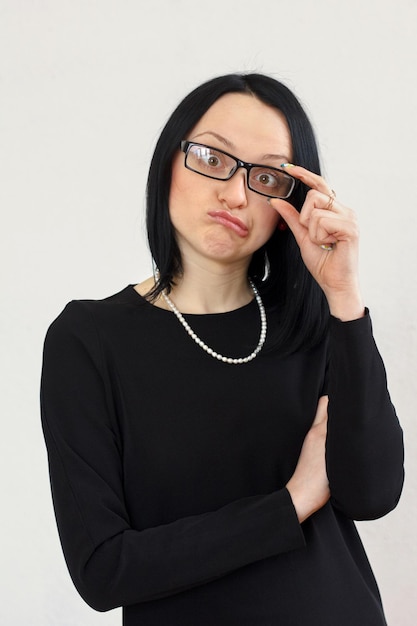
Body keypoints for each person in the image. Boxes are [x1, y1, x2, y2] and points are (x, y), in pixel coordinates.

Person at [40, 73, 404, 625]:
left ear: (292, 201)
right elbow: (104, 569)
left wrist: (345, 298)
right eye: (212, 157)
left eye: (266, 176)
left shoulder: (315, 325)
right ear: (170, 160)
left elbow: (373, 493)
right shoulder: (88, 340)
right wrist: (291, 503)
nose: (235, 193)